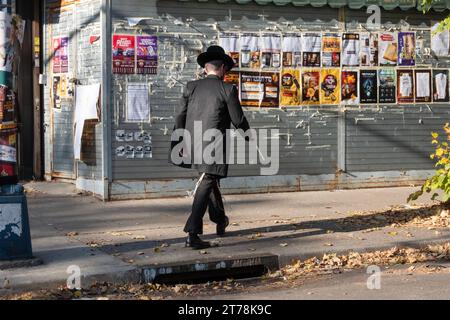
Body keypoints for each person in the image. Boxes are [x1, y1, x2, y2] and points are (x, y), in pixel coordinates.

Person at [170, 45, 250, 250]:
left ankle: (220, 219)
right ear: (223, 68)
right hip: (213, 144)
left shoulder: (190, 87)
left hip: (191, 141)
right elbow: (237, 119)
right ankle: (192, 232)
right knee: (207, 180)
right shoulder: (228, 89)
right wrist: (248, 135)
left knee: (209, 178)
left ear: (206, 69)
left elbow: (180, 115)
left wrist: (179, 142)